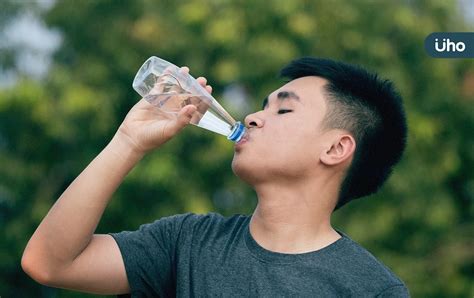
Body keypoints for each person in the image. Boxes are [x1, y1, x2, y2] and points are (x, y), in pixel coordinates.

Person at [21, 57, 409, 297]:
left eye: (284, 111)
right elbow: (50, 264)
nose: (254, 117)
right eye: (261, 106)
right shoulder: (188, 243)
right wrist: (128, 142)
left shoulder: (371, 289)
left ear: (335, 149)